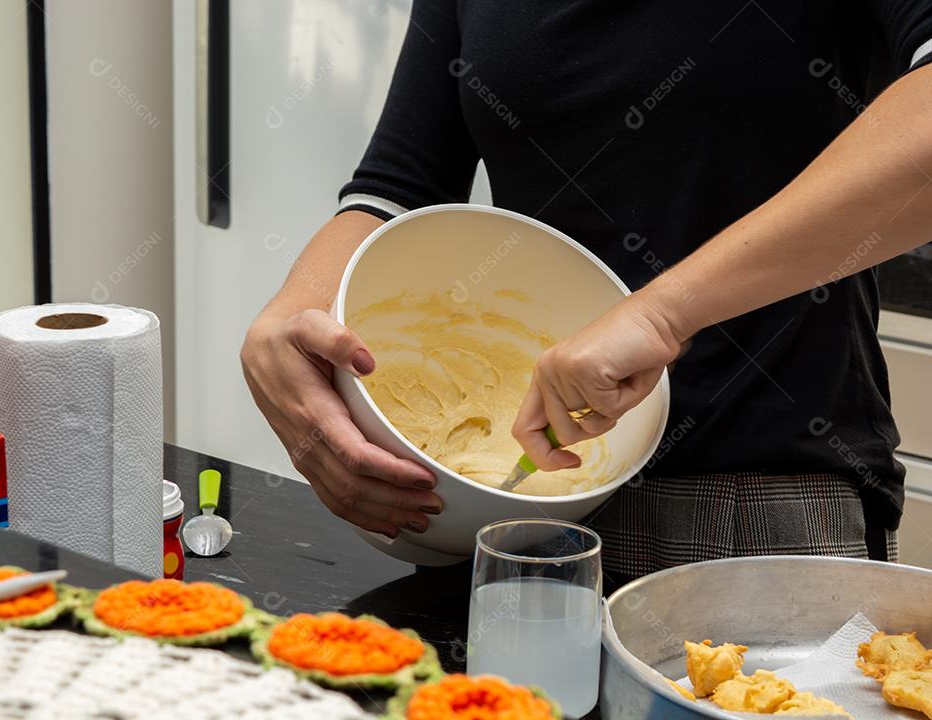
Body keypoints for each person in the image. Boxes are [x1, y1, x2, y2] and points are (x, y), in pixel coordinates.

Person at [241, 1, 932, 589]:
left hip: (747, 505)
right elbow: (399, 185)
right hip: (499, 504)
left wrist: (663, 311)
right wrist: (286, 319)